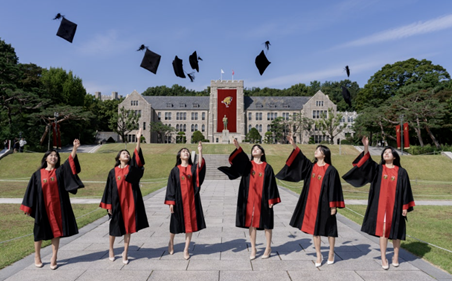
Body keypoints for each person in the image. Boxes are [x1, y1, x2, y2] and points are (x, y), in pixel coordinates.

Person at [342, 136, 415, 270]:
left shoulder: (401, 172)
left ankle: (396, 256)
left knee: (396, 232)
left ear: (394, 156)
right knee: (383, 231)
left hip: (396, 206)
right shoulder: (378, 169)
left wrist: (405, 206)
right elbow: (367, 162)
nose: (386, 154)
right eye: (384, 153)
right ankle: (383, 258)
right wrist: (366, 147)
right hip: (380, 207)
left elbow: (406, 190)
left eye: (389, 152)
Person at [276, 135, 344, 267]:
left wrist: (333, 206)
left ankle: (331, 252)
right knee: (315, 230)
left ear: (324, 155)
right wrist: (294, 145)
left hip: (326, 204)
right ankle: (319, 254)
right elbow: (300, 158)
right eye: (316, 150)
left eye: (319, 150)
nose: (316, 151)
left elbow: (334, 188)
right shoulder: (310, 167)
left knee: (330, 229)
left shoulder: (331, 170)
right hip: (311, 203)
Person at [20, 139, 84, 270]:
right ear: (46, 158)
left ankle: (54, 257)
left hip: (57, 208)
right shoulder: (37, 175)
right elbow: (31, 191)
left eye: (56, 156)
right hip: (42, 209)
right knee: (38, 233)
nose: (54, 157)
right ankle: (37, 256)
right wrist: (28, 208)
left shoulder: (60, 172)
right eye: (51, 155)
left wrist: (75, 149)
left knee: (57, 232)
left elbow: (69, 163)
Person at [218, 139, 281, 260]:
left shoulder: (267, 167)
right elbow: (239, 160)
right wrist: (238, 149)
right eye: (253, 148)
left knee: (267, 224)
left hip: (263, 200)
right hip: (249, 199)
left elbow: (271, 184)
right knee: (251, 223)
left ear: (262, 153)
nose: (255, 149)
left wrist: (271, 200)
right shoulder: (248, 165)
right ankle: (253, 248)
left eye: (258, 148)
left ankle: (268, 248)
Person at [100, 128, 148, 265]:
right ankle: (111, 249)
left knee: (128, 228)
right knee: (114, 228)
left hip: (131, 203)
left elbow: (138, 157)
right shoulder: (113, 172)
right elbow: (108, 189)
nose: (126, 154)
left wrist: (138, 140)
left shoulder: (132, 169)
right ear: (118, 158)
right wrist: (108, 205)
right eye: (123, 153)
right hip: (117, 204)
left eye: (127, 153)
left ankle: (125, 252)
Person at [165, 142, 206, 260]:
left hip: (191, 201)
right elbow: (171, 186)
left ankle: (186, 249)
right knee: (174, 225)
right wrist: (171, 202)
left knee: (190, 226)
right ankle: (171, 241)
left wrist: (200, 151)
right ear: (179, 156)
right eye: (183, 151)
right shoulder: (175, 170)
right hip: (178, 201)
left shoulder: (192, 168)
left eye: (187, 151)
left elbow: (200, 166)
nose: (186, 152)